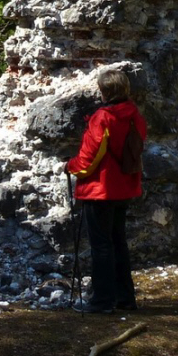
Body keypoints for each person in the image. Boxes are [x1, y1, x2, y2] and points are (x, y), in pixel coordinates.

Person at [66, 68, 147, 314]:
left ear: (105, 91)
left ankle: (102, 301)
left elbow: (90, 158)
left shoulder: (103, 117)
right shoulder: (134, 114)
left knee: (101, 246)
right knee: (118, 243)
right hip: (124, 188)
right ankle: (125, 298)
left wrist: (70, 166)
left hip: (101, 188)